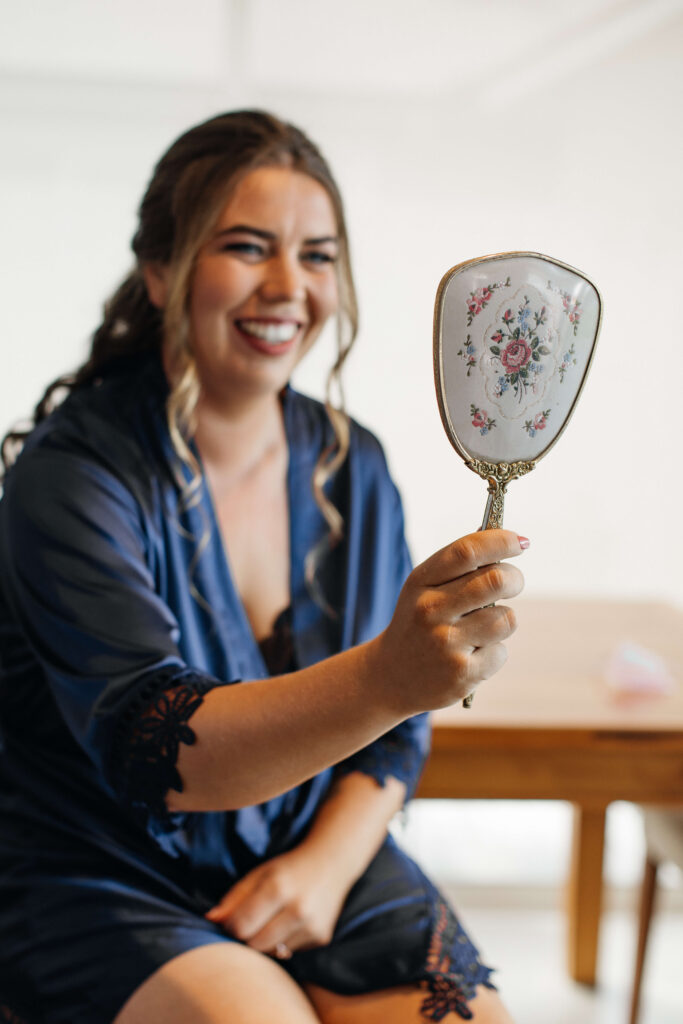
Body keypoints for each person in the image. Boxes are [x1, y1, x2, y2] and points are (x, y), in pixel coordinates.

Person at [0, 110, 526, 1024]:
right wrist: (388, 673)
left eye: (318, 256)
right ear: (160, 272)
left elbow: (395, 734)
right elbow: (158, 751)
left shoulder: (352, 464)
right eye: (247, 247)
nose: (288, 286)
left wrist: (324, 867)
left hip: (304, 837)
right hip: (97, 861)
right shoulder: (70, 480)